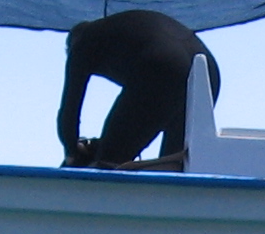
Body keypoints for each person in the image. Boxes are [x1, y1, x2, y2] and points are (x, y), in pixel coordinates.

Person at [57, 9, 220, 167]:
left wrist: (72, 151)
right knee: (173, 165)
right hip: (209, 72)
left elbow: (69, 112)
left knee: (108, 162)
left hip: (163, 63)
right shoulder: (120, 34)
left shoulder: (82, 44)